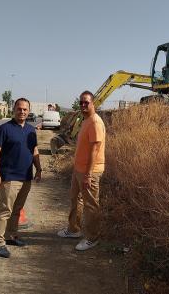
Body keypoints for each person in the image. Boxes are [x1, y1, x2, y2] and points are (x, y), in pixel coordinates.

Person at [0, 98, 42, 258]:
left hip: (26, 177)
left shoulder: (30, 130)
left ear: (29, 111)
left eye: (25, 109)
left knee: (17, 210)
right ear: (14, 109)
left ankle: (11, 235)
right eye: (19, 109)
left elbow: (34, 150)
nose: (22, 112)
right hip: (10, 177)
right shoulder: (4, 129)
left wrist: (39, 169)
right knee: (5, 210)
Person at [58, 90, 105, 251]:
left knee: (91, 205)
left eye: (87, 102)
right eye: (81, 102)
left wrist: (88, 174)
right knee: (74, 199)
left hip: (89, 171)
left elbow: (94, 150)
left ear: (93, 103)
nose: (83, 105)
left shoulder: (95, 122)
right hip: (78, 170)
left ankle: (93, 238)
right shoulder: (85, 120)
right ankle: (73, 230)